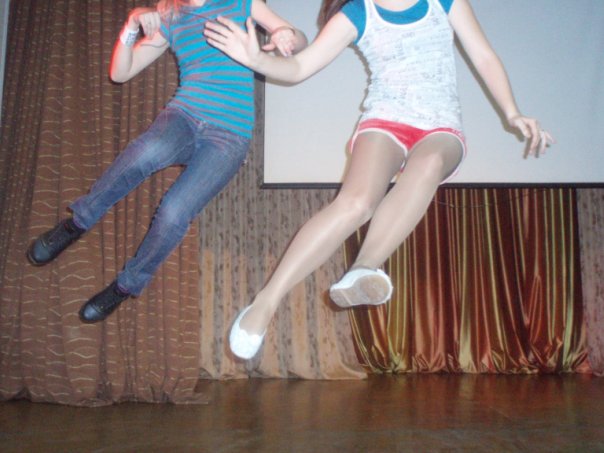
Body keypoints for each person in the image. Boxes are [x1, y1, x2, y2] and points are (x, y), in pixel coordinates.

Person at [204, 0, 555, 359]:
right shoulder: (358, 13)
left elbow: (483, 56)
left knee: (430, 162)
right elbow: (299, 67)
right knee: (355, 204)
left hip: (441, 126)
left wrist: (512, 112)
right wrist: (257, 61)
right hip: (385, 120)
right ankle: (265, 302)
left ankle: (363, 267)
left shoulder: (444, 3)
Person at [26, 0, 307, 323]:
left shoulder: (242, 2)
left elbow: (299, 40)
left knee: (174, 212)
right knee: (146, 152)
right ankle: (76, 223)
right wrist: (131, 26)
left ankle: (125, 286)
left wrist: (287, 34)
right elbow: (120, 73)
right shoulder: (170, 15)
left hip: (230, 134)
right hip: (184, 116)